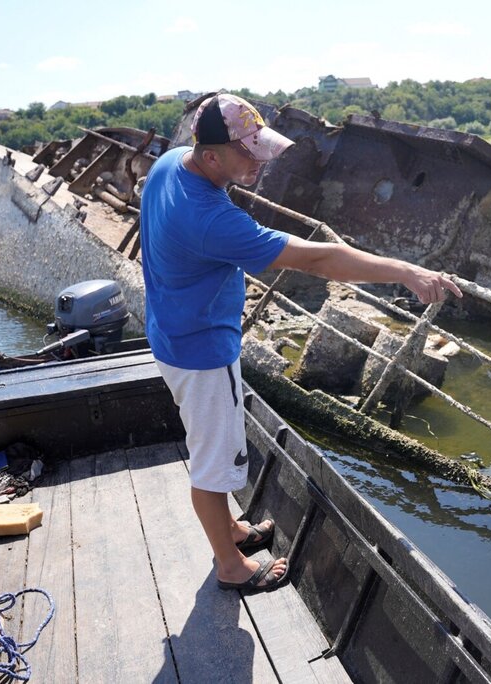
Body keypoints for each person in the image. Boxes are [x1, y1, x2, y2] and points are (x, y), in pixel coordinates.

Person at [140, 93, 462, 592]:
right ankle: (230, 566)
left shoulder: (168, 166)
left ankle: (231, 531)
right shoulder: (209, 219)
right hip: (201, 352)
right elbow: (318, 260)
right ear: (210, 157)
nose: (260, 159)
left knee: (213, 447)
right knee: (212, 465)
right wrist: (405, 270)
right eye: (247, 152)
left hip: (171, 331)